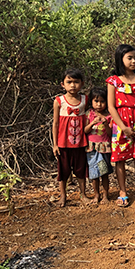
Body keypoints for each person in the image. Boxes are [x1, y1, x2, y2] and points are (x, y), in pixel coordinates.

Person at [106, 44, 135, 207]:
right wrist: (123, 127)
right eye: (129, 58)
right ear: (120, 59)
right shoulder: (113, 81)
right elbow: (111, 106)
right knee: (120, 159)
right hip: (121, 125)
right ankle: (123, 191)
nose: (134, 61)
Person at [52, 68, 89, 207]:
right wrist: (55, 144)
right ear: (63, 84)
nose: (72, 85)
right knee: (64, 170)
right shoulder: (59, 101)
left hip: (80, 143)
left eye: (76, 82)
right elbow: (55, 123)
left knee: (80, 169)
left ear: (82, 83)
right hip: (63, 143)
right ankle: (63, 196)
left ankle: (83, 194)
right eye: (69, 82)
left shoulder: (85, 100)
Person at [84, 87, 113, 205]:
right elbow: (85, 130)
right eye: (96, 101)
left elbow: (111, 133)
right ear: (91, 101)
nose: (99, 104)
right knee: (94, 173)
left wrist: (106, 124)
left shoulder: (110, 115)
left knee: (104, 172)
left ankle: (106, 195)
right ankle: (96, 195)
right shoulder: (88, 114)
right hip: (92, 148)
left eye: (102, 101)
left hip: (104, 147)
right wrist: (92, 123)